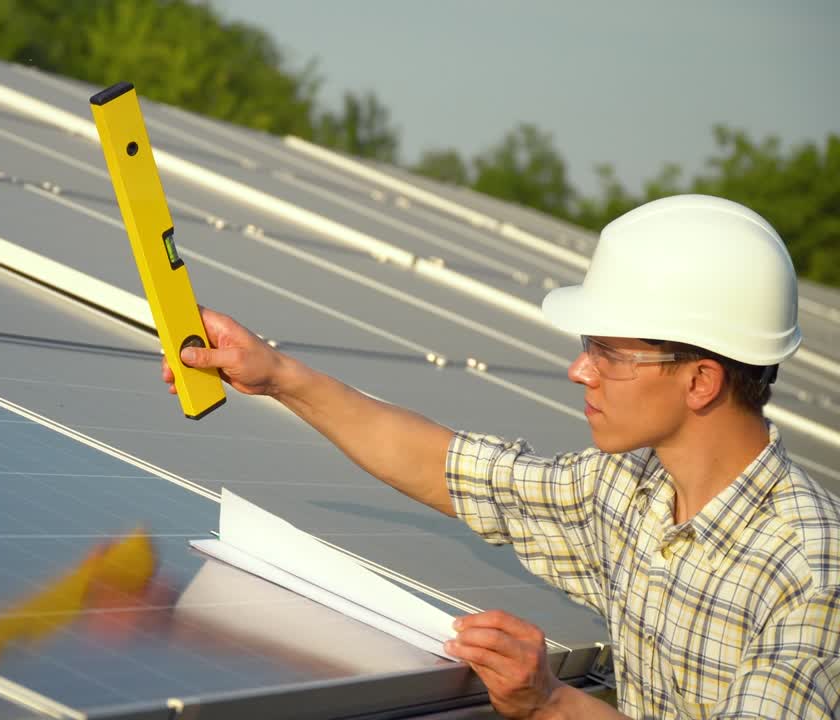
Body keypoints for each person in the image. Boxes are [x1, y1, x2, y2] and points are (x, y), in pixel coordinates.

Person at [161, 195, 840, 718]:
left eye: (609, 352)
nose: (580, 370)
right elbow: (443, 465)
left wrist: (549, 703)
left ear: (700, 381)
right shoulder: (627, 490)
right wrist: (276, 374)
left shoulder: (811, 574)